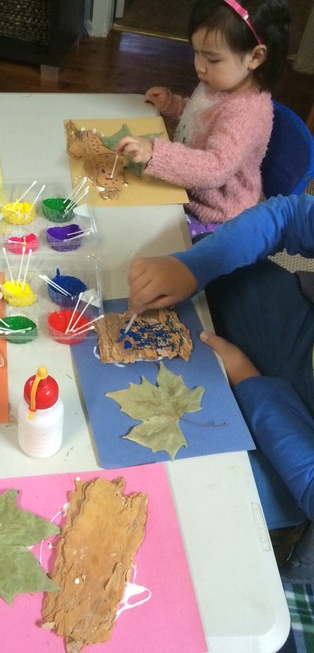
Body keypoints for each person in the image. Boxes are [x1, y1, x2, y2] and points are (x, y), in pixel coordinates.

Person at [127, 194, 314, 571]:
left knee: (182, 500)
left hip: (297, 459)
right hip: (298, 333)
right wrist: (194, 267)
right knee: (201, 261)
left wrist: (249, 380)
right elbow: (289, 216)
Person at [117, 0, 290, 239]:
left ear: (255, 57)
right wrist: (173, 104)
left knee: (142, 240)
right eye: (196, 52)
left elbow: (215, 168)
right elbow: (201, 117)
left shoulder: (247, 111)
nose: (199, 66)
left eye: (212, 58)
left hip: (217, 217)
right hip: (187, 190)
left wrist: (155, 153)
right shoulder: (220, 82)